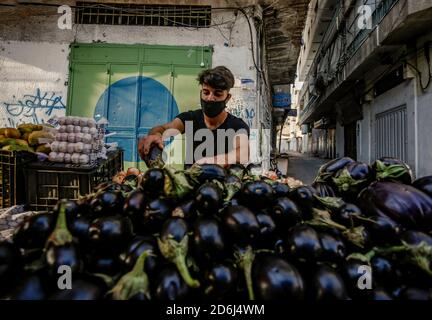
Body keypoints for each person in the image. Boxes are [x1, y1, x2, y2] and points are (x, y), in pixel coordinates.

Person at [138, 66, 250, 167]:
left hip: (222, 186)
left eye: (217, 94)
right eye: (206, 92)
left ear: (227, 97)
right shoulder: (190, 118)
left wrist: (217, 160)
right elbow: (165, 128)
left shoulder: (237, 125)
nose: (210, 98)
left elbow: (243, 152)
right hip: (191, 185)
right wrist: (155, 135)